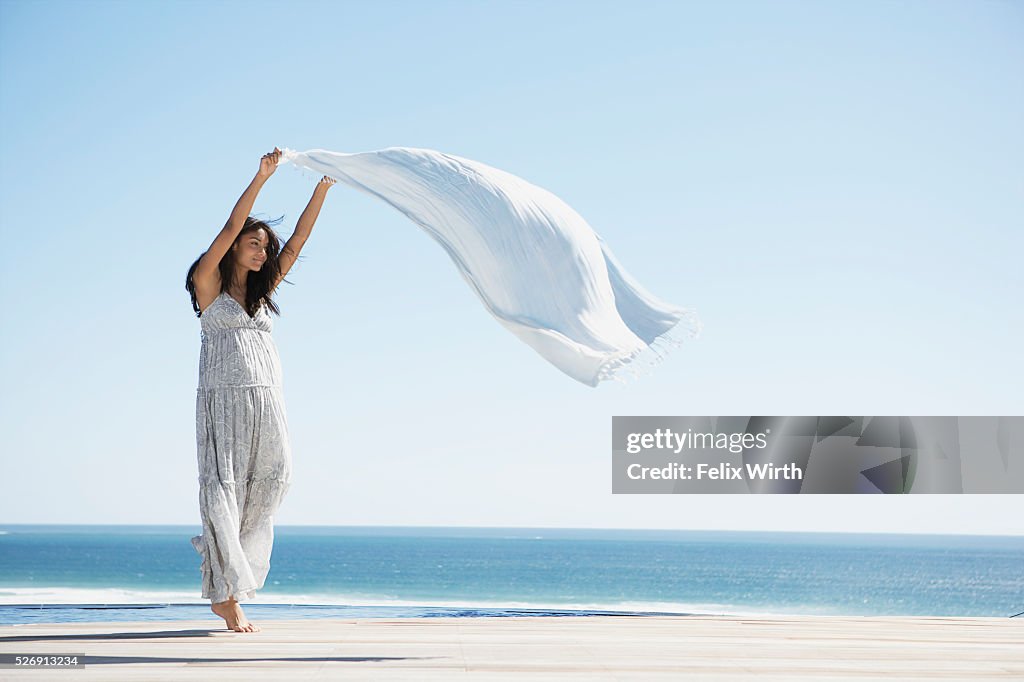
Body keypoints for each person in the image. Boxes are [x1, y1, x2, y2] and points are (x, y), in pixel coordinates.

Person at [184, 147, 336, 632]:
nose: (262, 251)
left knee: (275, 481)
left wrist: (322, 189)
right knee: (224, 489)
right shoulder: (208, 285)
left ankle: (226, 563)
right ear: (234, 249)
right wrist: (262, 177)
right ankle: (226, 594)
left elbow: (297, 243)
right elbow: (229, 227)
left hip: (267, 398)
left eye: (264, 246)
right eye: (254, 243)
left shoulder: (263, 294)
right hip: (223, 400)